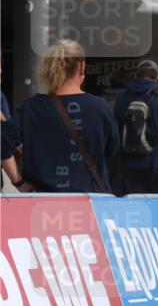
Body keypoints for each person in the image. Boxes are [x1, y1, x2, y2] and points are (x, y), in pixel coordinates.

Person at [2, 39, 118, 193]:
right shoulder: (100, 107)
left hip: (43, 203)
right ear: (82, 67)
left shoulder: (31, 108)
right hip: (91, 201)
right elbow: (112, 150)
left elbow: (2, 143)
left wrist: (19, 182)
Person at [113, 59, 158, 194]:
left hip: (129, 165)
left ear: (136, 75)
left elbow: (116, 129)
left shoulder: (122, 96)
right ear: (157, 77)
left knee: (134, 210)